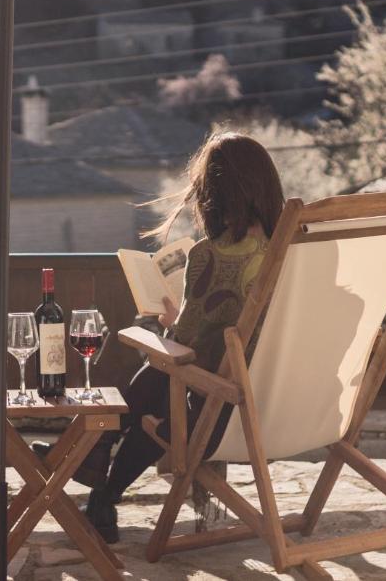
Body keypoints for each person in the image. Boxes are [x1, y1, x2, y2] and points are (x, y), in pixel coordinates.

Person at [63, 131, 284, 543]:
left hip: (224, 415)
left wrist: (169, 322)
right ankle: (99, 480)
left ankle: (96, 457)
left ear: (212, 194)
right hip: (282, 404)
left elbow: (185, 343)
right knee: (163, 383)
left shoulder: (209, 256)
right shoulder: (293, 251)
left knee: (160, 373)